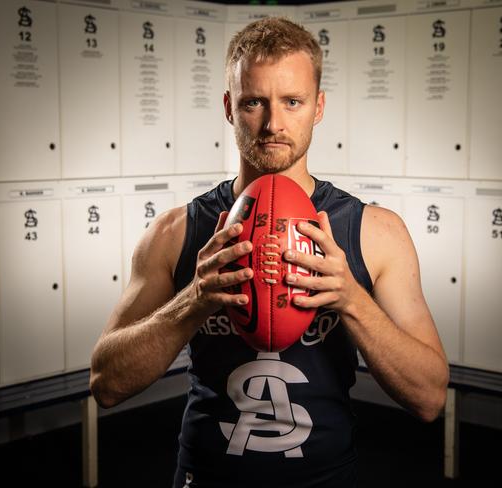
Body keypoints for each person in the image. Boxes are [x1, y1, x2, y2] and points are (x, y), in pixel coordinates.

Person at [90, 17, 449, 488]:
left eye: (292, 102)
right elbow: (106, 384)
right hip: (206, 475)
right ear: (228, 107)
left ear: (318, 107)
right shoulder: (178, 231)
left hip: (326, 477)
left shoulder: (374, 232)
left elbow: (429, 398)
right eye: (254, 102)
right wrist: (194, 299)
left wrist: (351, 299)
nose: (274, 123)